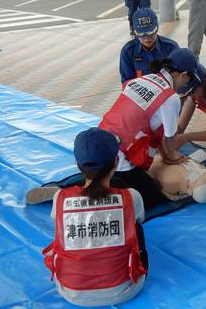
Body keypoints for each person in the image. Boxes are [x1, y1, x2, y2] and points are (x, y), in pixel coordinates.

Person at [26, 48, 205, 210]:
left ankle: (62, 189)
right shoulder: (170, 97)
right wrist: (174, 159)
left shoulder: (144, 79)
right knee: (151, 196)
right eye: (189, 78)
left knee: (101, 176)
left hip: (100, 143)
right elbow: (169, 138)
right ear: (182, 74)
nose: (187, 84)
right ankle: (76, 195)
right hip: (122, 155)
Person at [42, 128, 148, 307]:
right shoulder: (132, 197)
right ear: (116, 162)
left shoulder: (60, 198)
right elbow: (140, 220)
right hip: (125, 289)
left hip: (70, 291)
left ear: (78, 165)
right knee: (133, 224)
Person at [119, 8, 179, 83]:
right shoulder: (128, 52)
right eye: (141, 34)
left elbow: (179, 79)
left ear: (157, 28)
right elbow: (127, 84)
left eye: (151, 32)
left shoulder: (171, 48)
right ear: (134, 32)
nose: (147, 38)